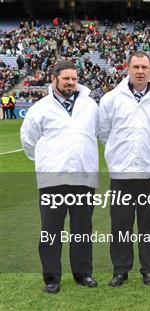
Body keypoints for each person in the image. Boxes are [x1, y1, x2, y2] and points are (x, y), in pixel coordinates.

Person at [20, 60, 99, 293]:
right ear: (54, 79)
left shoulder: (90, 105)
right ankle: (52, 278)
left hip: (83, 177)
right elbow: (28, 141)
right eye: (66, 79)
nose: (71, 83)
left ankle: (83, 274)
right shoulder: (40, 108)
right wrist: (48, 161)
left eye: (74, 79)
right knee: (51, 230)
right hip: (52, 180)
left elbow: (99, 133)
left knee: (82, 229)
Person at [98, 51, 150, 287]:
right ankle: (120, 270)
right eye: (136, 67)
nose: (140, 71)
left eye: (144, 67)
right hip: (122, 173)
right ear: (127, 69)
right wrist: (121, 155)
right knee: (120, 224)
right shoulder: (111, 99)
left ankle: (149, 269)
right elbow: (103, 132)